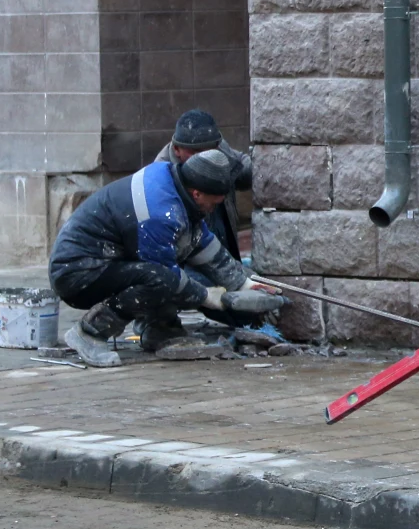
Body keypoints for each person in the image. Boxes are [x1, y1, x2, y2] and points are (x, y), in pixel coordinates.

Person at [49, 150, 264, 367]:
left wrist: (243, 283)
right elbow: (168, 276)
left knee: (166, 264)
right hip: (77, 273)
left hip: (105, 259)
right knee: (160, 278)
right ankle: (90, 333)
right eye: (214, 203)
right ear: (197, 194)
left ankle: (160, 328)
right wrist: (207, 296)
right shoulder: (160, 213)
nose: (214, 207)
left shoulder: (174, 180)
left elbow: (201, 243)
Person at [154, 109, 252, 261]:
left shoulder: (219, 150)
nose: (206, 160)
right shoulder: (162, 181)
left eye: (210, 151)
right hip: (190, 264)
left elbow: (246, 172)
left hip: (226, 250)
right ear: (176, 149)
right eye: (194, 153)